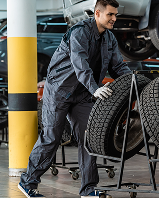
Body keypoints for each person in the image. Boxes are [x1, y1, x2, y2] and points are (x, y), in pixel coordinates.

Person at [18, 0, 131, 197]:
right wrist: (95, 89)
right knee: (51, 138)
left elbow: (118, 67)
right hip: (60, 90)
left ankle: (88, 189)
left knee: (89, 139)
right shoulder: (79, 31)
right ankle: (28, 182)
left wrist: (134, 81)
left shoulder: (110, 39)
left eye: (115, 15)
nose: (114, 18)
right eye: (110, 14)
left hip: (83, 95)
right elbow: (80, 64)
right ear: (97, 13)